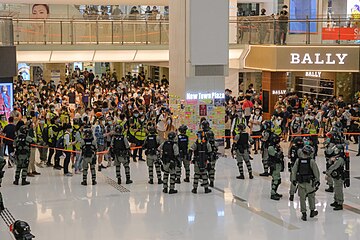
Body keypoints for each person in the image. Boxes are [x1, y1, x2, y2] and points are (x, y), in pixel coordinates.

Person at [291, 145, 320, 221]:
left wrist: (293, 180)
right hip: (310, 183)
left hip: (301, 183)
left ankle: (304, 214)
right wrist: (317, 180)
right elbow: (316, 172)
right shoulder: (311, 161)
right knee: (311, 196)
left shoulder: (298, 160)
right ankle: (312, 211)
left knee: (302, 198)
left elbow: (294, 171)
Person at [325, 144, 346, 210]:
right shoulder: (337, 157)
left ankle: (340, 203)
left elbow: (334, 166)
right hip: (336, 176)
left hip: (339, 176)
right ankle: (336, 201)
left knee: (338, 190)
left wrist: (327, 173)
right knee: (336, 189)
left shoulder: (340, 159)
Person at [268, 134, 285, 200]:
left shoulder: (275, 146)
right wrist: (280, 151)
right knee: (276, 179)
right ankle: (273, 193)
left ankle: (274, 192)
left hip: (278, 164)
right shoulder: (271, 147)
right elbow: (277, 155)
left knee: (277, 179)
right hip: (274, 165)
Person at [288, 136, 304, 201]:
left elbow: (289, 155)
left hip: (292, 165)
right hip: (299, 166)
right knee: (301, 181)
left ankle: (291, 194)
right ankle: (302, 195)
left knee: (293, 181)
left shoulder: (292, 148)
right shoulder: (300, 150)